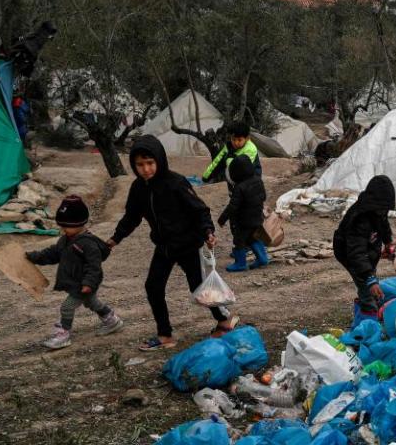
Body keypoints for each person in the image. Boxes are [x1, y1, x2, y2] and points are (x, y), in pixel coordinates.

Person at [107, 135, 238, 351]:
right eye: (140, 165)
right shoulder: (138, 188)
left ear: (159, 159)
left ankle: (224, 321)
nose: (146, 169)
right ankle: (165, 335)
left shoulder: (175, 182)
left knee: (200, 286)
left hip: (188, 244)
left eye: (150, 163)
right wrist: (115, 239)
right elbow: (131, 217)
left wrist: (208, 231)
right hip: (164, 246)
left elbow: (200, 209)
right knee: (153, 287)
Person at [27, 195, 123, 350]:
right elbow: (52, 254)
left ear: (80, 223)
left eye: (66, 226)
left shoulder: (88, 244)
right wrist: (33, 257)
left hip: (82, 284)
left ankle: (63, 335)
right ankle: (112, 321)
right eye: (62, 226)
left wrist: (88, 283)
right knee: (92, 302)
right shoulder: (65, 240)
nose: (63, 229)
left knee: (67, 307)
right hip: (76, 283)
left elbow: (94, 267)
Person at [332, 176, 396, 323]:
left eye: (385, 209)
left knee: (369, 284)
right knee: (368, 288)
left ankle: (364, 311)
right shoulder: (359, 219)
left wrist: (388, 242)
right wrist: (369, 278)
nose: (383, 212)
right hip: (349, 253)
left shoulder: (378, 212)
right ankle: (367, 330)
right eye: (382, 209)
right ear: (374, 204)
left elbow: (384, 225)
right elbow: (356, 253)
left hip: (367, 251)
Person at [217, 155, 269, 272]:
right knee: (253, 238)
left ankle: (240, 264)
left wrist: (222, 219)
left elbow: (232, 207)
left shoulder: (239, 188)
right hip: (257, 218)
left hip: (243, 222)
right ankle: (263, 258)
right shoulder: (258, 180)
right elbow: (263, 196)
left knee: (239, 241)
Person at [202, 121, 261, 185]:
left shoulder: (250, 149)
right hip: (235, 178)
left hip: (251, 181)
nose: (236, 143)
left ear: (247, 138)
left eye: (239, 140)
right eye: (233, 139)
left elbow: (240, 168)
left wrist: (229, 157)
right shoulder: (229, 147)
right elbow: (217, 161)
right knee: (222, 162)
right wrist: (206, 176)